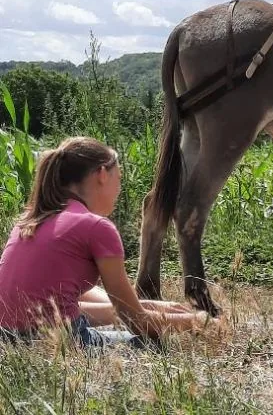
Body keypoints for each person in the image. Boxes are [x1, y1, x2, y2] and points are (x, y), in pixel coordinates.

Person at [0, 137, 217, 347]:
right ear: (102, 174)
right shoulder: (96, 227)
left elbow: (50, 303)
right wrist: (200, 322)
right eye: (119, 178)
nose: (119, 189)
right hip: (59, 341)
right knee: (155, 343)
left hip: (7, 337)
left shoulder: (30, 221)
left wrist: (152, 305)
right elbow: (136, 321)